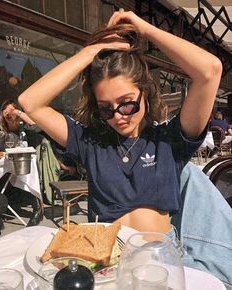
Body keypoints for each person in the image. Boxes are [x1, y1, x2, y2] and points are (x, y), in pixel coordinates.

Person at [19, 8, 224, 284]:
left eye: (127, 102)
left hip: (161, 258)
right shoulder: (90, 142)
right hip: (106, 265)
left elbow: (210, 71)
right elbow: (30, 102)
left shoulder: (169, 141)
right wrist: (89, 53)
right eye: (106, 109)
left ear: (146, 93)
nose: (118, 116)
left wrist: (145, 29)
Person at [0, 99, 43, 226]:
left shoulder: (24, 126)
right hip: (5, 162)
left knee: (30, 172)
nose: (7, 113)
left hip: (25, 161)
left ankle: (37, 210)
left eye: (10, 110)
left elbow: (37, 126)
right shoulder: (1, 128)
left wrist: (17, 112)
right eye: (4, 111)